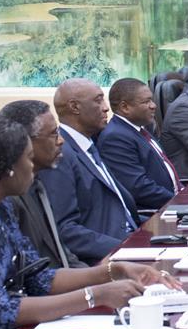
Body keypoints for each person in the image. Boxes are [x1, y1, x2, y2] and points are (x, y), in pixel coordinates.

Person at [0, 117, 180, 329]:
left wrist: (114, 270)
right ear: (8, 170)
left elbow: (39, 278)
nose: (33, 165)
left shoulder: (2, 208)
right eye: (28, 157)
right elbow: (0, 311)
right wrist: (96, 295)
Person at [38, 79, 142, 264]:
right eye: (98, 100)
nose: (106, 108)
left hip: (130, 240)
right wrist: (126, 246)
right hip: (106, 259)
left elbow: (116, 208)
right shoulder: (60, 154)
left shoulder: (88, 145)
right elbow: (65, 230)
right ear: (75, 107)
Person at [0, 101, 87, 269]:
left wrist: (104, 275)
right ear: (23, 141)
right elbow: (32, 275)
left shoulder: (36, 184)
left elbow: (64, 256)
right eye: (54, 134)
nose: (61, 141)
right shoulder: (8, 198)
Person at [98, 78, 179, 211]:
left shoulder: (139, 129)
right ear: (125, 107)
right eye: (146, 102)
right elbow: (139, 188)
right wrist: (180, 200)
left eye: (151, 100)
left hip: (171, 202)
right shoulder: (115, 137)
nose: (154, 105)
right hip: (154, 213)